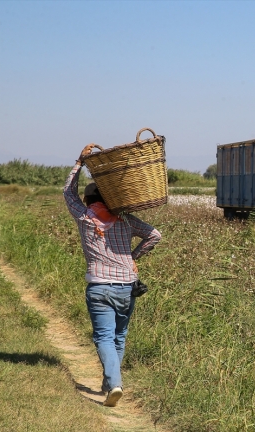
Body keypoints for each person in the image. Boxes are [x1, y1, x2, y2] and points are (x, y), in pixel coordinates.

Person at [63, 144, 161, 407]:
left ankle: (114, 384)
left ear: (88, 201)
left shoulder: (86, 218)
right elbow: (155, 235)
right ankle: (110, 384)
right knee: (119, 336)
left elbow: (67, 192)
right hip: (126, 287)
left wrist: (80, 162)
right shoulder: (126, 220)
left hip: (99, 287)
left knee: (104, 337)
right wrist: (133, 256)